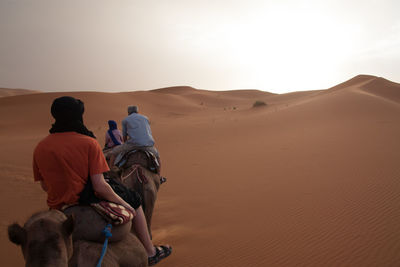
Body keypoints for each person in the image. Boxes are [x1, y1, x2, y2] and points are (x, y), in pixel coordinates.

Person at [33, 96, 171, 266]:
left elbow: (45, 185)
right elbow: (100, 186)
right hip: (88, 203)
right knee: (135, 200)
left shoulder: (41, 147)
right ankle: (150, 252)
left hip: (59, 209)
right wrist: (126, 205)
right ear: (78, 115)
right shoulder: (89, 143)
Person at [109, 106, 161, 171]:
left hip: (132, 145)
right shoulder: (146, 118)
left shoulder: (125, 120)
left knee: (114, 152)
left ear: (128, 112)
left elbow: (124, 136)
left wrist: (125, 143)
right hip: (147, 145)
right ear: (137, 111)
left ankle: (111, 170)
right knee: (158, 157)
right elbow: (148, 132)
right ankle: (159, 176)